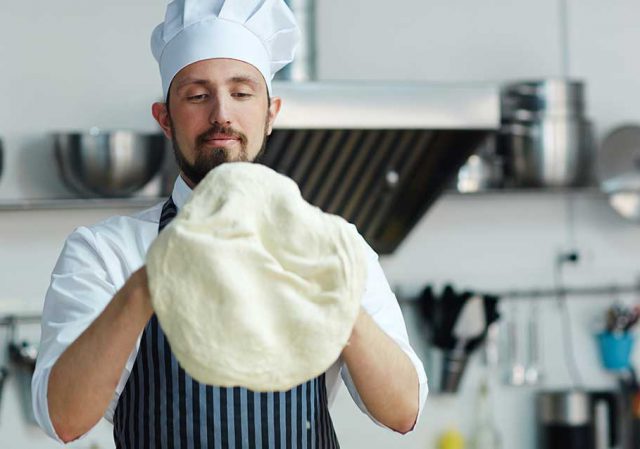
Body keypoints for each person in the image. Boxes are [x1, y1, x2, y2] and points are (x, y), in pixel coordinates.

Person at [32, 0, 428, 447]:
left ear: (271, 113)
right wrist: (148, 284)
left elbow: (402, 410)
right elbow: (63, 417)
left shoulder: (334, 245)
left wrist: (332, 291)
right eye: (197, 95)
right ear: (164, 118)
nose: (221, 113)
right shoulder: (106, 252)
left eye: (241, 93)